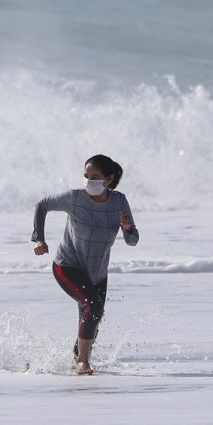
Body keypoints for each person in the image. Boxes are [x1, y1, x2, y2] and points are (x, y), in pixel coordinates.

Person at [31, 154, 139, 375]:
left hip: (97, 272)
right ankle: (82, 362)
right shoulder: (74, 198)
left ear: (108, 179)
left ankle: (73, 358)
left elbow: (132, 241)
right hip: (67, 265)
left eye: (95, 177)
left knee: (94, 316)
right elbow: (42, 205)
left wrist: (127, 228)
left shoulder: (119, 202)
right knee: (93, 305)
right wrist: (39, 238)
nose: (89, 181)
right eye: (86, 176)